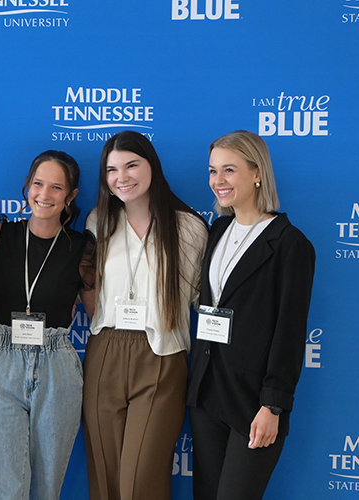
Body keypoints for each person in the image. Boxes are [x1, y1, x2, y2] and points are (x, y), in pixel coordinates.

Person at [186, 130, 315, 500]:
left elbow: (290, 332)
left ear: (257, 173)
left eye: (229, 170)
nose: (218, 181)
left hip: (253, 402)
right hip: (207, 392)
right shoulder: (218, 229)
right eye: (212, 171)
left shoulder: (290, 243)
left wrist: (273, 405)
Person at [83, 131, 208, 500]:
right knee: (104, 479)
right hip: (105, 349)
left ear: (152, 164)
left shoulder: (188, 227)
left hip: (162, 354)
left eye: (131, 165)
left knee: (141, 482)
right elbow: (89, 285)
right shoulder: (98, 221)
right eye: (112, 169)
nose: (121, 177)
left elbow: (200, 298)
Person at [0, 150, 95, 499]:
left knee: (47, 485)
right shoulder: (0, 236)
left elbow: (96, 311)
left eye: (57, 187)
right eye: (38, 184)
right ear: (27, 186)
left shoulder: (82, 248)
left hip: (57, 362)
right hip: (3, 358)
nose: (44, 194)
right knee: (4, 485)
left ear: (71, 196)